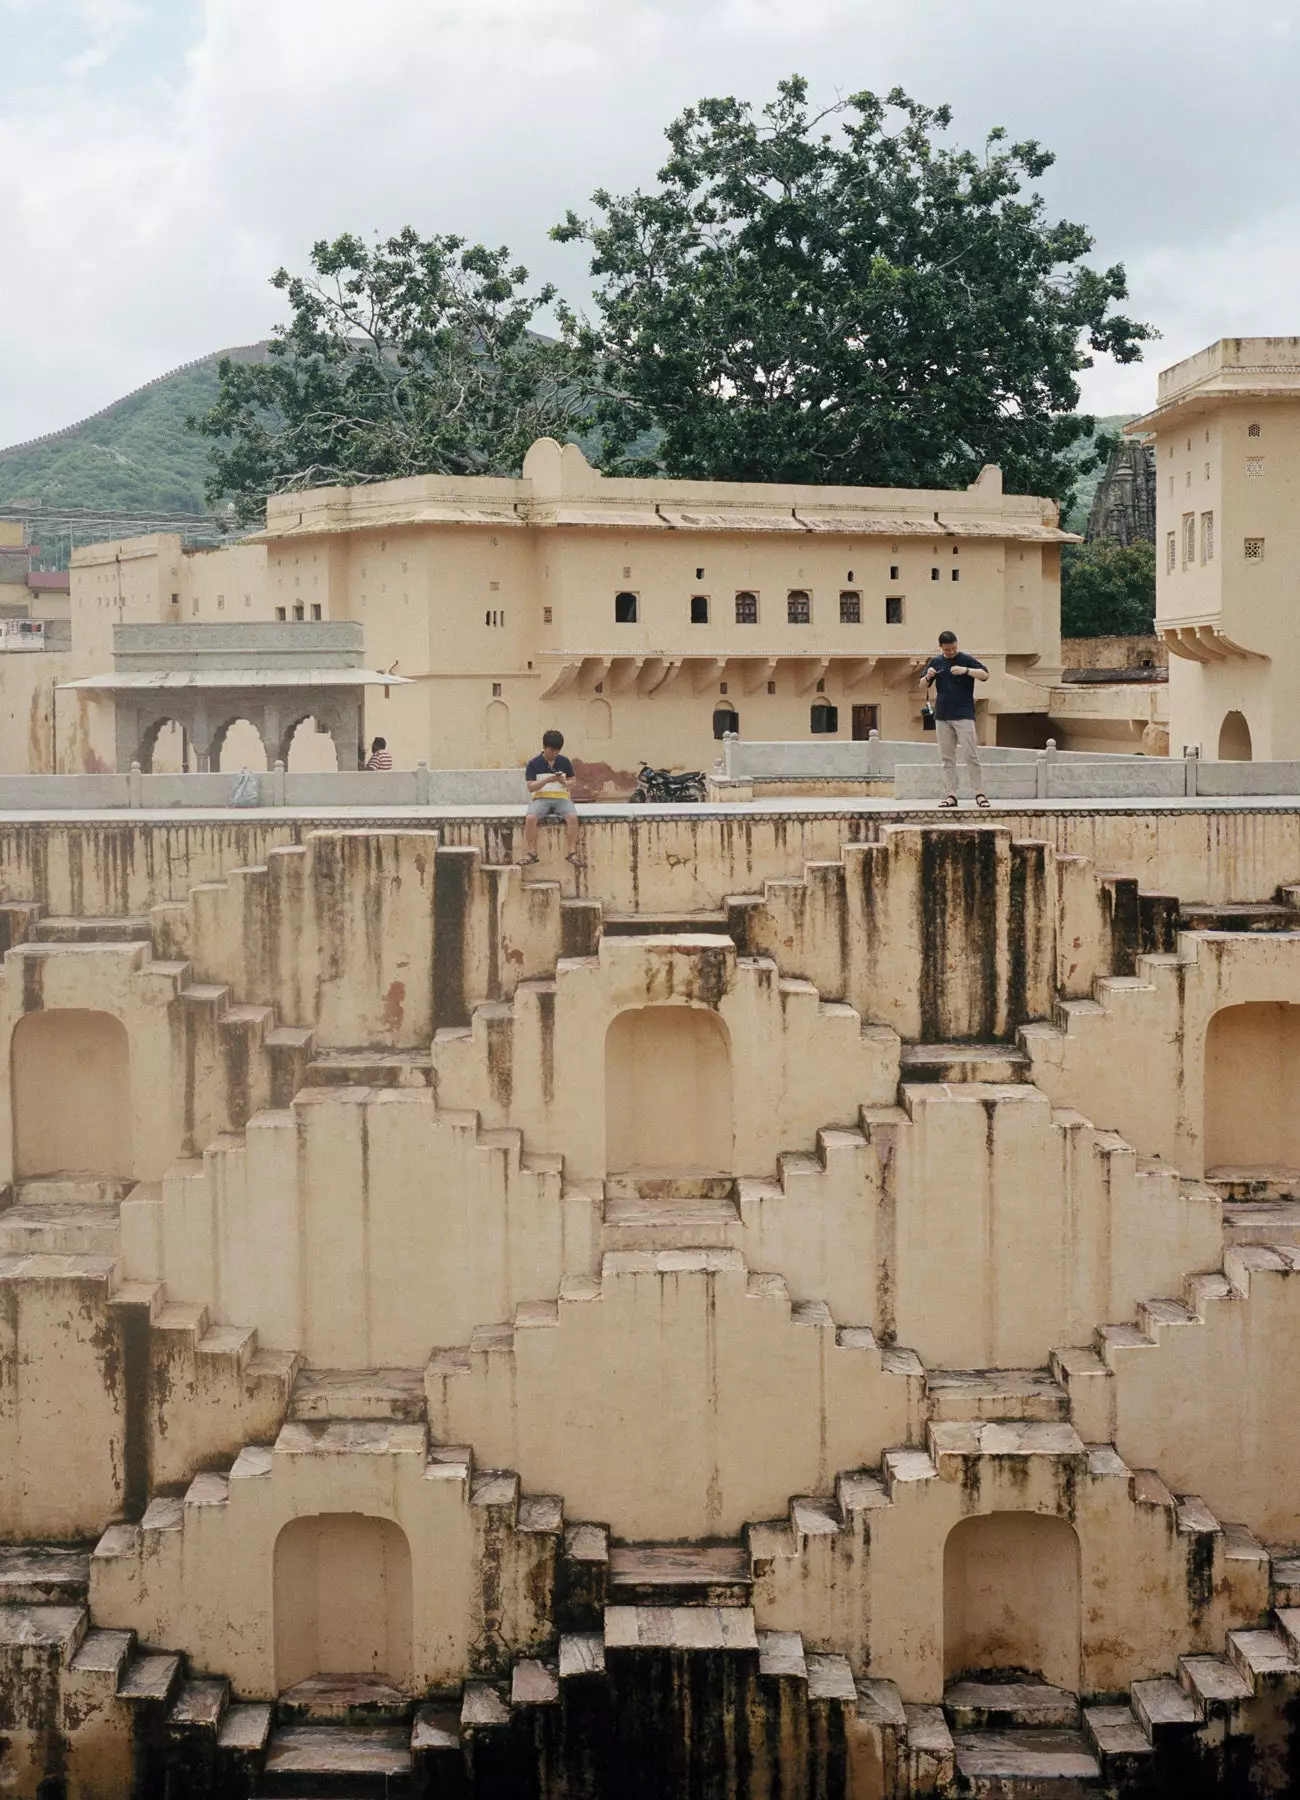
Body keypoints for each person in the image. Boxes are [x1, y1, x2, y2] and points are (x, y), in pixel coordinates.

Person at [920, 632, 990, 808]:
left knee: (971, 754)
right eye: (947, 649)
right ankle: (951, 794)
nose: (951, 652)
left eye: (953, 648)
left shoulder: (965, 659)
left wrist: (966, 670)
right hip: (942, 715)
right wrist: (928, 676)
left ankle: (979, 793)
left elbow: (985, 675)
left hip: (964, 714)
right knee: (947, 757)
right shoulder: (936, 662)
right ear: (941, 647)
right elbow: (921, 685)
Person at [521, 729, 583, 866]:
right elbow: (531, 787)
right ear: (544, 748)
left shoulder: (564, 762)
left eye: (556, 751)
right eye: (551, 751)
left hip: (561, 798)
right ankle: (532, 852)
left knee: (572, 817)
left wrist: (564, 783)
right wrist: (547, 780)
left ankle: (572, 852)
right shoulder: (534, 763)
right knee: (531, 818)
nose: (554, 754)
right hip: (541, 798)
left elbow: (573, 782)